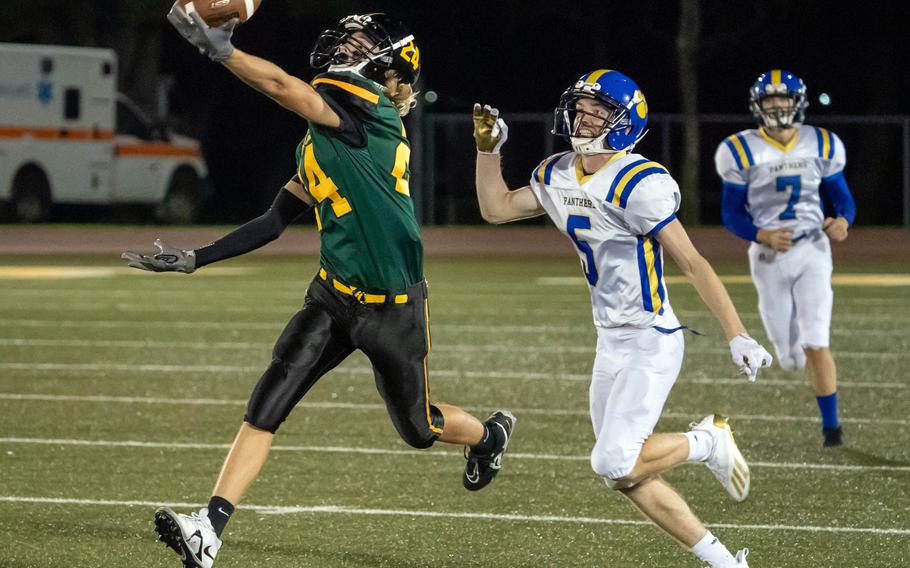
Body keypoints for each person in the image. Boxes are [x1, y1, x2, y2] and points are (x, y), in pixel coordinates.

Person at [124, 8, 515, 568]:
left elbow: (283, 86)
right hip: (333, 296)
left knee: (420, 427)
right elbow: (273, 220)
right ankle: (208, 528)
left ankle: (487, 437)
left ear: (389, 74)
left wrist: (221, 49)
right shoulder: (320, 139)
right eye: (346, 39)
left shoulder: (372, 114)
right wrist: (196, 258)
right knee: (268, 401)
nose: (344, 47)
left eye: (359, 44)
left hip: (394, 307)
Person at [473, 69, 773, 568]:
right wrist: (488, 150)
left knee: (613, 458)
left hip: (651, 338)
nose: (585, 117)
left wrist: (736, 333)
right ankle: (725, 562)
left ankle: (707, 441)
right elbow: (496, 208)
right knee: (622, 473)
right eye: (582, 107)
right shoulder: (557, 171)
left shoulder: (641, 182)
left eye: (599, 111)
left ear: (625, 123)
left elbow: (694, 263)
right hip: (609, 340)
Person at [715, 69, 855, 448]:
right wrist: (761, 233)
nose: (778, 106)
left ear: (798, 102)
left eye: (784, 99)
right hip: (767, 256)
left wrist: (843, 221)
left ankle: (832, 429)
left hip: (812, 249)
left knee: (816, 340)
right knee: (790, 357)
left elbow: (842, 199)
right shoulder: (740, 149)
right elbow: (731, 214)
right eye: (770, 100)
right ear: (758, 106)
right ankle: (793, 359)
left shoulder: (820, 143)